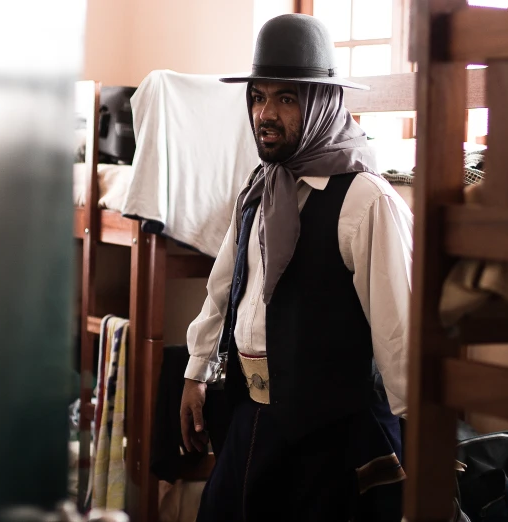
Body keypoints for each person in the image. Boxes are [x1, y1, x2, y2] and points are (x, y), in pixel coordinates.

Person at [179, 13, 413, 522]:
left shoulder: (364, 200)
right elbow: (225, 288)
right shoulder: (260, 189)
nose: (266, 113)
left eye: (286, 98)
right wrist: (196, 372)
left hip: (328, 436)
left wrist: (417, 439)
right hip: (252, 420)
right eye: (258, 97)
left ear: (322, 104)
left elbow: (399, 333)